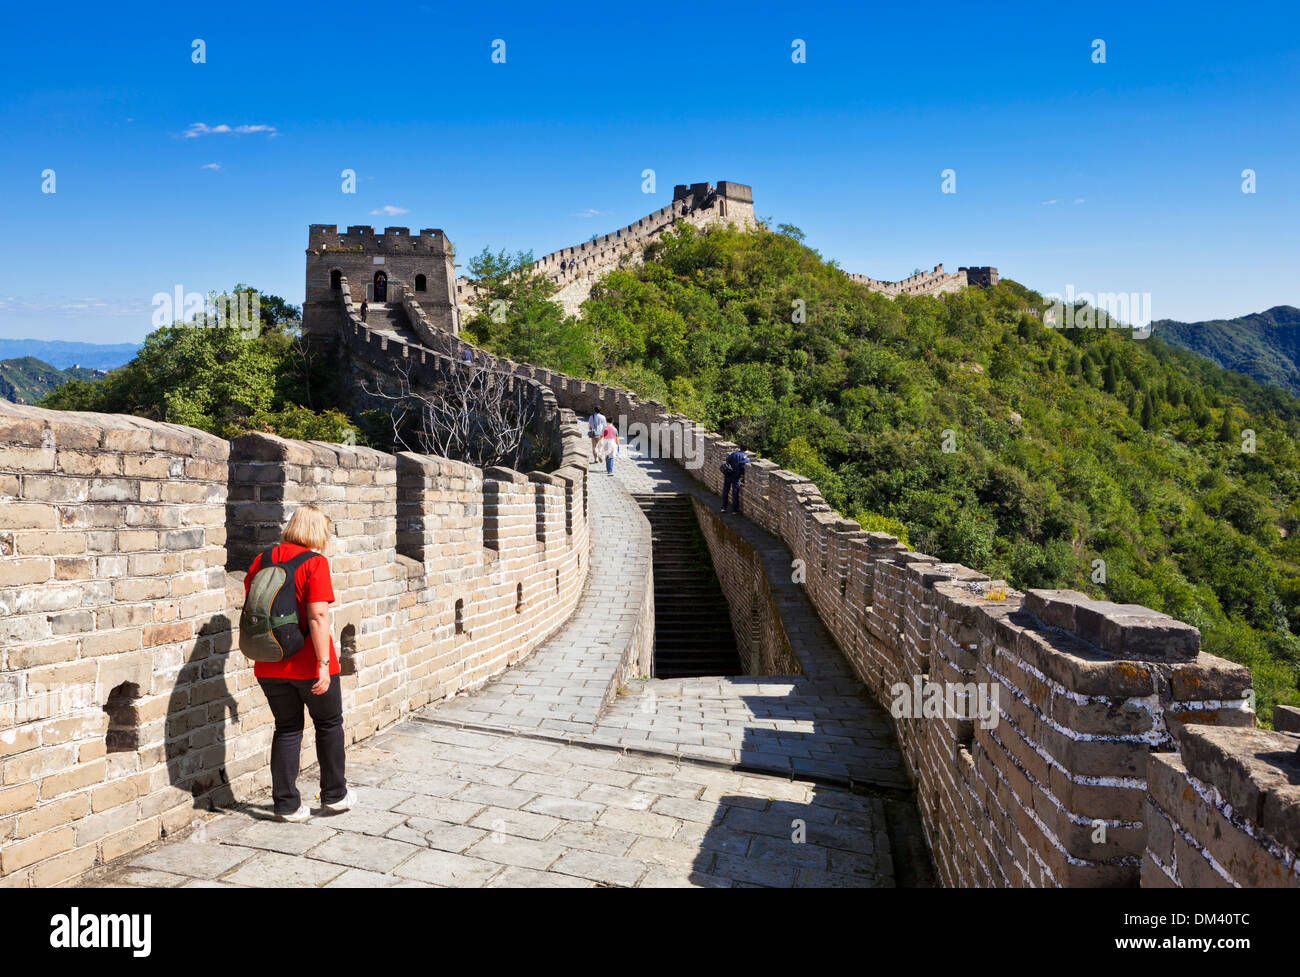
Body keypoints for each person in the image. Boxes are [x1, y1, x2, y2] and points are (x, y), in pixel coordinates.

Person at [244, 505, 353, 822]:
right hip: (308, 664)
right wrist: (322, 664)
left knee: (287, 728)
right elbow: (318, 617)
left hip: (270, 662)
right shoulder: (314, 563)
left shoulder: (261, 560)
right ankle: (334, 796)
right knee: (329, 724)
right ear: (317, 531)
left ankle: (287, 805)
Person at [721, 448, 749, 514]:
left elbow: (727, 461)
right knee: (735, 492)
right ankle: (734, 510)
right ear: (747, 450)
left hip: (728, 474)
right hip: (736, 477)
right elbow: (743, 468)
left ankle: (723, 507)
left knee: (726, 491)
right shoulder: (745, 457)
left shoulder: (733, 454)